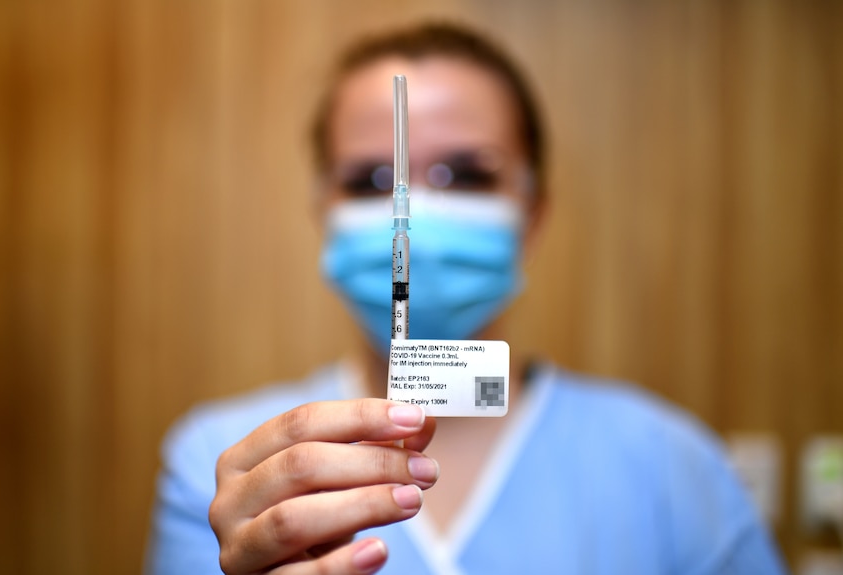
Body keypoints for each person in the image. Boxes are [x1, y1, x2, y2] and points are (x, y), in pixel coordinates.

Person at [145, 22, 787, 575]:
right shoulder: (227, 469)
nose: (415, 214)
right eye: (374, 179)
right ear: (323, 211)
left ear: (533, 212)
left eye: (467, 174)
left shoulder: (673, 471)